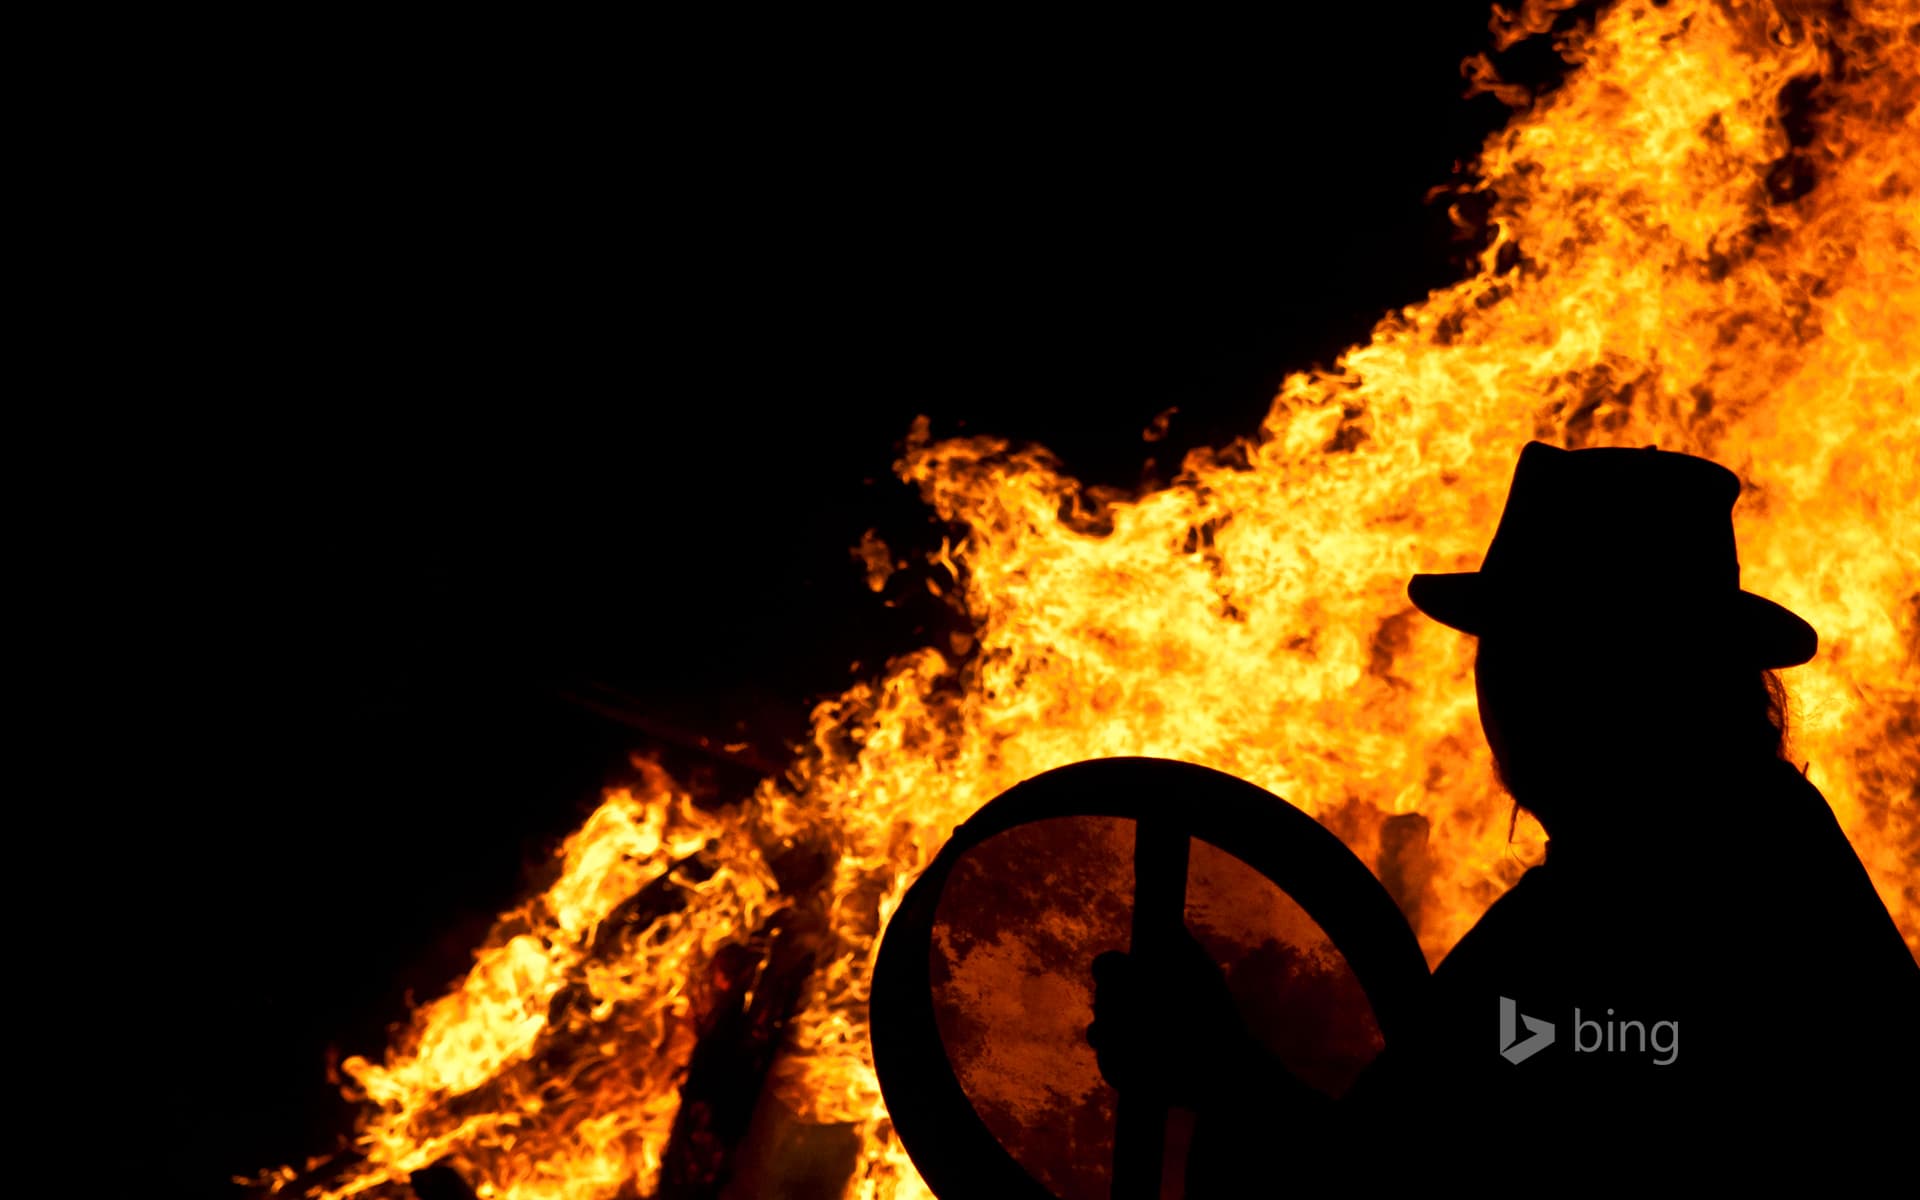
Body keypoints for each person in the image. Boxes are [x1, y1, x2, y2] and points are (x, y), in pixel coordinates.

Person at [1087, 442, 1920, 1186]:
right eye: (1505, 651)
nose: (1505, 686)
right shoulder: (1756, 847)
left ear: (1644, 671)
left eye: (1543, 648)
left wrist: (1225, 1073)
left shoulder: (1647, 904)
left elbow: (1419, 1176)